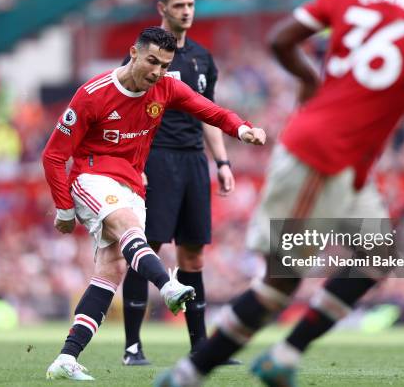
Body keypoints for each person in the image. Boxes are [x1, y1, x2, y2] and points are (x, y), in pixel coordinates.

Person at [156, 0, 404, 386]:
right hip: (321, 157)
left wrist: (311, 79)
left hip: (341, 160)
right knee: (281, 282)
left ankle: (284, 353)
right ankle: (189, 373)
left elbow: (281, 39)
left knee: (378, 256)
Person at [41, 26, 266, 381]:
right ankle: (168, 286)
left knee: (111, 271)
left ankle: (66, 358)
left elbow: (209, 110)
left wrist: (241, 129)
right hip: (92, 177)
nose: (157, 72)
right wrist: (64, 208)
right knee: (129, 227)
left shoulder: (166, 88)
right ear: (133, 52)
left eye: (164, 65)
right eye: (151, 61)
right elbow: (53, 155)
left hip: (133, 183)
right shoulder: (92, 94)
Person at [121, 0, 238, 366]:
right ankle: (133, 347)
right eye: (178, 5)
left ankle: (200, 347)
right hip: (156, 159)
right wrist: (134, 165)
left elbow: (208, 114)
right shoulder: (142, 57)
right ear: (162, 9)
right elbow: (126, 111)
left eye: (190, 4)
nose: (186, 11)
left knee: (193, 257)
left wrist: (221, 162)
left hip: (193, 162)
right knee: (148, 249)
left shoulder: (203, 58)